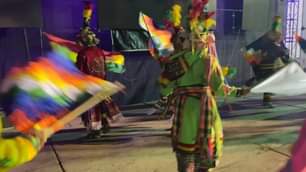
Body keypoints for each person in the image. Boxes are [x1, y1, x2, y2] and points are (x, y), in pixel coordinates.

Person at [140, 2, 250, 171]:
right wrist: (240, 92)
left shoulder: (175, 61)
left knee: (185, 157)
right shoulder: (209, 60)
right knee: (203, 156)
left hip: (184, 111)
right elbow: (220, 89)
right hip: (205, 110)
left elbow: (164, 89)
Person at [76, 2, 122, 138]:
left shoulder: (83, 54)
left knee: (91, 107)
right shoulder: (99, 51)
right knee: (101, 104)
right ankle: (104, 124)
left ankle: (95, 130)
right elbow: (103, 69)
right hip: (100, 82)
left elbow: (80, 70)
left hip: (90, 84)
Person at [244, 16, 291, 108]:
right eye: (279, 36)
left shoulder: (277, 44)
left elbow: (283, 53)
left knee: (267, 82)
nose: (281, 37)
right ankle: (248, 85)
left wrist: (287, 58)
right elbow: (282, 53)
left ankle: (264, 98)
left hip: (271, 67)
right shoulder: (270, 44)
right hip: (265, 67)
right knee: (264, 81)